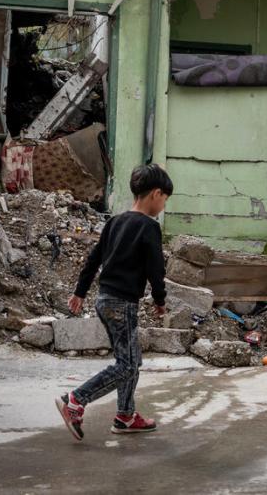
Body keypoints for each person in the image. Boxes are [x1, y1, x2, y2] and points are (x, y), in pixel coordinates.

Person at [56, 163, 172, 441]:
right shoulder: (149, 227)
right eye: (165, 200)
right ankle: (75, 400)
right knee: (128, 365)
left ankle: (126, 416)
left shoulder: (115, 222)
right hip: (122, 303)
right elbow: (156, 268)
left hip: (105, 299)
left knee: (130, 360)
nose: (164, 205)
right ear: (156, 194)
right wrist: (160, 299)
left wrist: (80, 291)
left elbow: (93, 259)